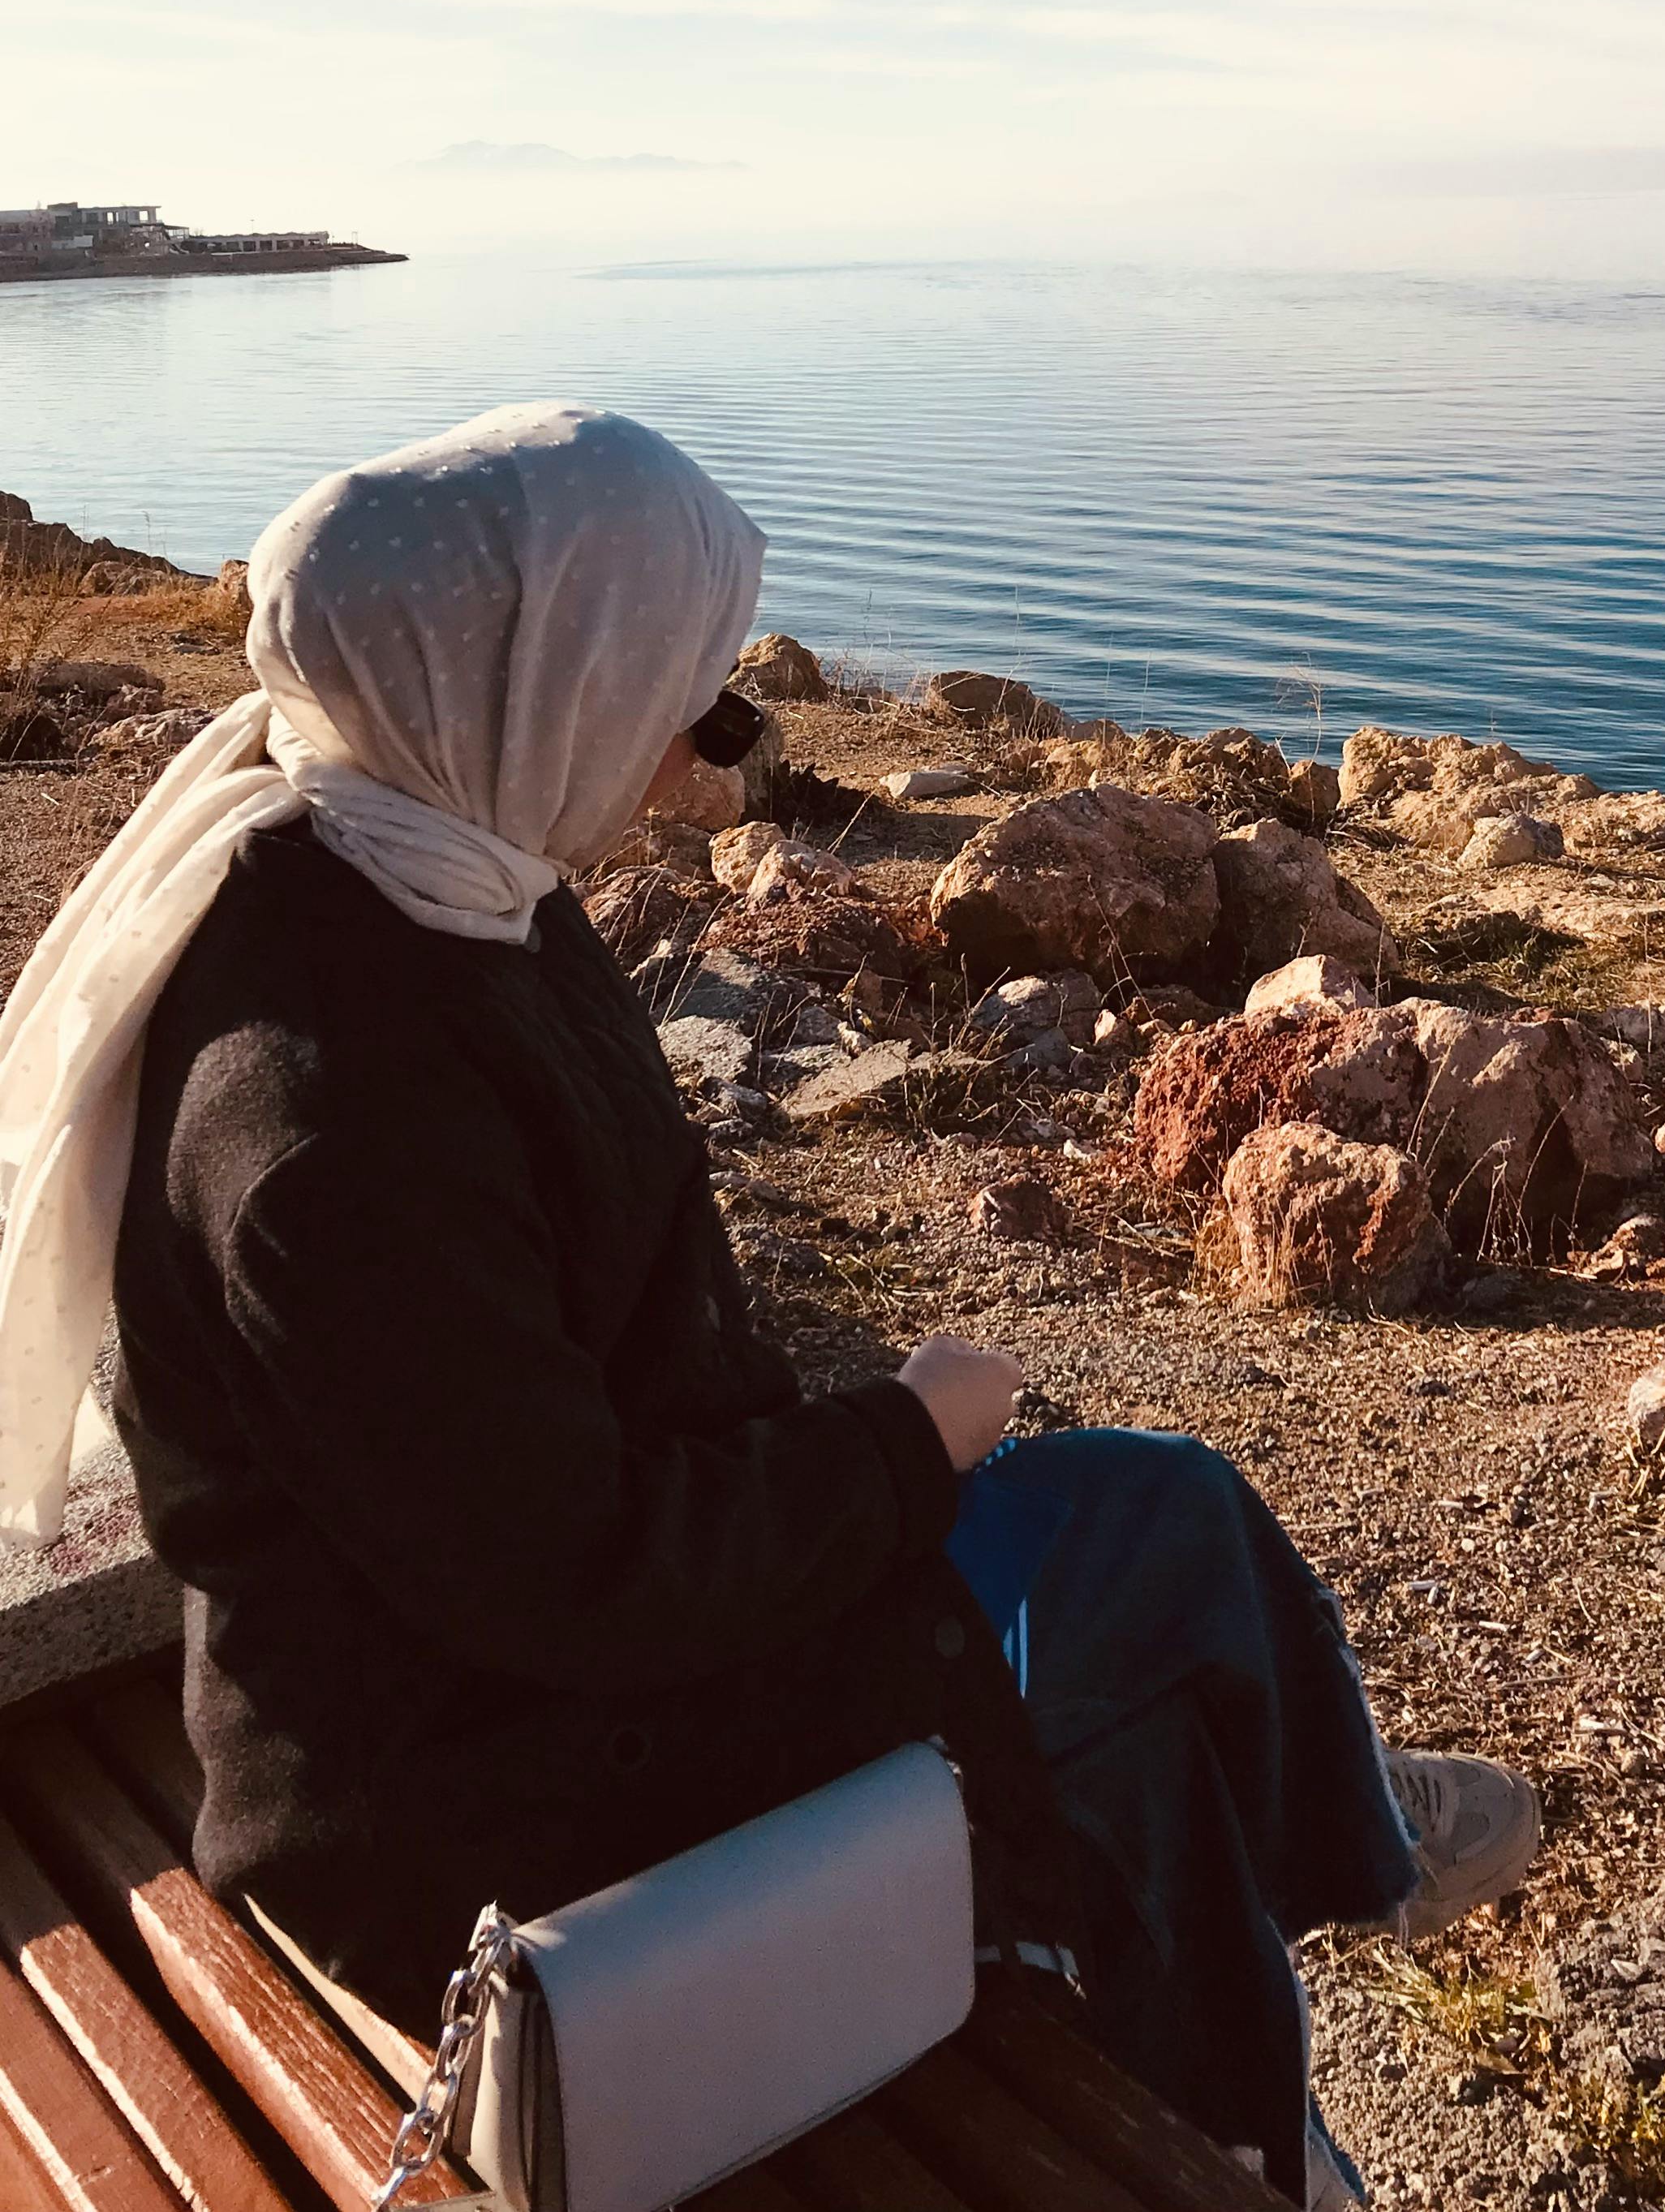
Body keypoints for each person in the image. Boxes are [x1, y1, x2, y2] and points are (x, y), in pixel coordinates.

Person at [0, 404, 1540, 2209]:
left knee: (1143, 1539)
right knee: (1130, 1651)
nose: (703, 754)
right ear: (527, 682)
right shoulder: (326, 1125)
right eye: (681, 693)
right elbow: (579, 1580)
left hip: (507, 1652)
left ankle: (1306, 1872)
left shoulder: (423, 868)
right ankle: (1276, 1990)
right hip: (471, 1798)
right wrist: (901, 1437)